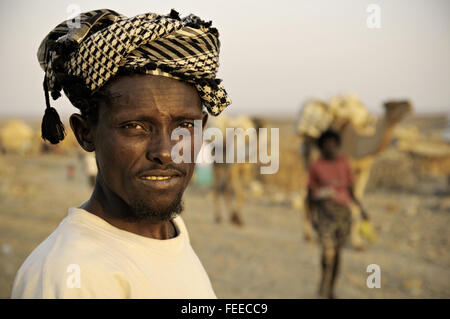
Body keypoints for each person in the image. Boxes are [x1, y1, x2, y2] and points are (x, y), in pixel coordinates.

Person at [12, 9, 231, 298]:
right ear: (85, 133)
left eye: (183, 126)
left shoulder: (170, 231)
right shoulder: (70, 275)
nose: (165, 152)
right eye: (135, 126)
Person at [306, 130, 369, 299]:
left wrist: (361, 209)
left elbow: (351, 190)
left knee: (338, 253)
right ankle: (324, 287)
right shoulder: (316, 166)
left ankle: (330, 289)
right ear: (321, 148)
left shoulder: (344, 163)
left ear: (337, 145)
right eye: (327, 145)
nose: (331, 148)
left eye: (333, 144)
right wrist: (311, 219)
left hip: (344, 214)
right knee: (328, 254)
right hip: (325, 213)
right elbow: (309, 195)